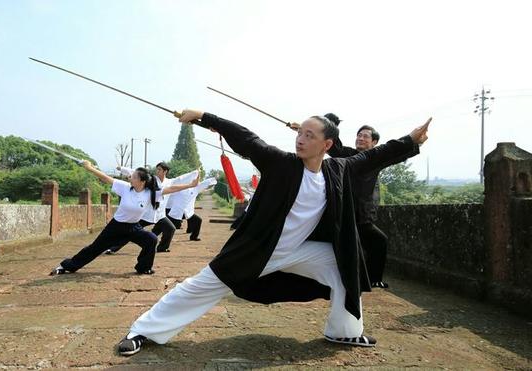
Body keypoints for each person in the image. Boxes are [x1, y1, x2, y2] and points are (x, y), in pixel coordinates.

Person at [117, 109, 430, 355]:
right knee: (201, 286)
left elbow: (375, 156)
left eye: (310, 135)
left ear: (327, 145)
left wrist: (411, 141)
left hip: (302, 250)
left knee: (344, 265)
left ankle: (344, 330)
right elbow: (247, 139)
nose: (301, 139)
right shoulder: (282, 164)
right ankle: (141, 331)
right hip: (260, 249)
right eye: (301, 133)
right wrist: (203, 117)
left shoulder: (338, 169)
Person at [49, 161, 199, 276]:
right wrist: (89, 167)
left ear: (142, 181)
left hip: (133, 227)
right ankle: (67, 266)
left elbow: (172, 189)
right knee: (94, 248)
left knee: (151, 240)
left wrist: (190, 185)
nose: (130, 177)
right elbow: (105, 178)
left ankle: (143, 268)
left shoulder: (151, 193)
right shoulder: (124, 187)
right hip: (116, 227)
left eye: (133, 177)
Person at [326, 113, 414, 289]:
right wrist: (329, 123)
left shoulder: (376, 159)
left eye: (365, 136)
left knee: (378, 241)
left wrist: (415, 142)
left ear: (374, 143)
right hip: (344, 212)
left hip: (364, 216)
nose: (360, 138)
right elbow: (334, 146)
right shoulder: (348, 156)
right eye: (359, 135)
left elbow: (395, 153)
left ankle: (375, 279)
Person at [107, 163, 198, 253]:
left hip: (160, 215)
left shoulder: (170, 182)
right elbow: (134, 172)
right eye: (157, 169)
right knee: (131, 231)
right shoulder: (151, 179)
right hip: (146, 214)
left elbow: (181, 178)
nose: (157, 171)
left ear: (165, 171)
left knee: (170, 229)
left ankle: (162, 248)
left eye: (159, 170)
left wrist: (195, 173)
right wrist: (121, 168)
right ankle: (113, 248)